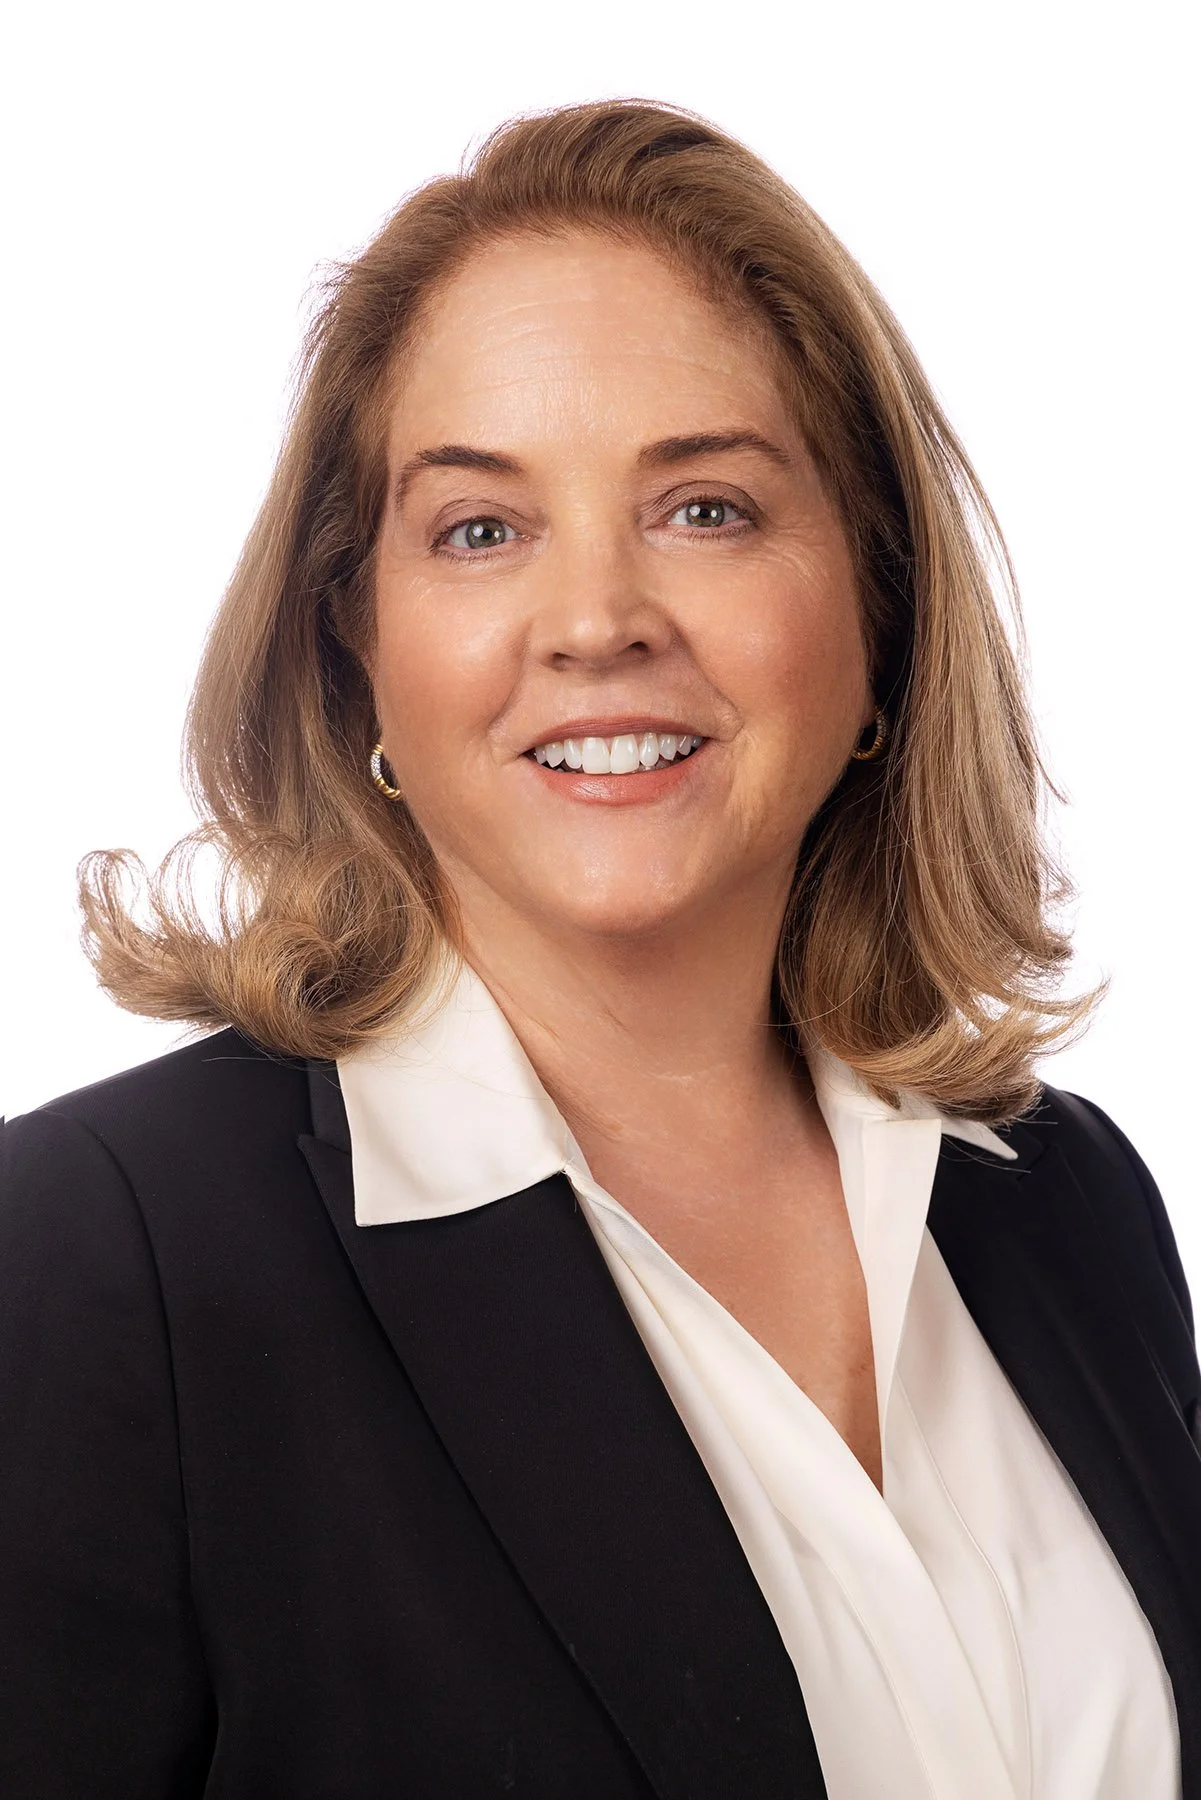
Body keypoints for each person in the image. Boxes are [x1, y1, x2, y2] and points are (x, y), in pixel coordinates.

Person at [2, 97, 1198, 1800]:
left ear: (878, 609)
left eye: (706, 508)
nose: (596, 621)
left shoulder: (1063, 1205)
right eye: (481, 530)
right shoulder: (100, 1261)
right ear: (357, 657)